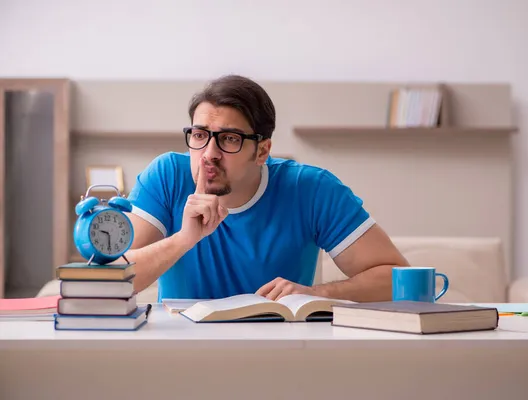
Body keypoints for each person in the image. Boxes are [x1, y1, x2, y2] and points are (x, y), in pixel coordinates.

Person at [124, 74, 409, 302]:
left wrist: (317, 294)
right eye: (199, 135)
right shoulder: (167, 176)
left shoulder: (311, 190)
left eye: (229, 139)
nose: (209, 153)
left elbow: (397, 279)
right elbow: (112, 279)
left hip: (279, 353)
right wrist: (184, 239)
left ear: (262, 151)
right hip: (178, 351)